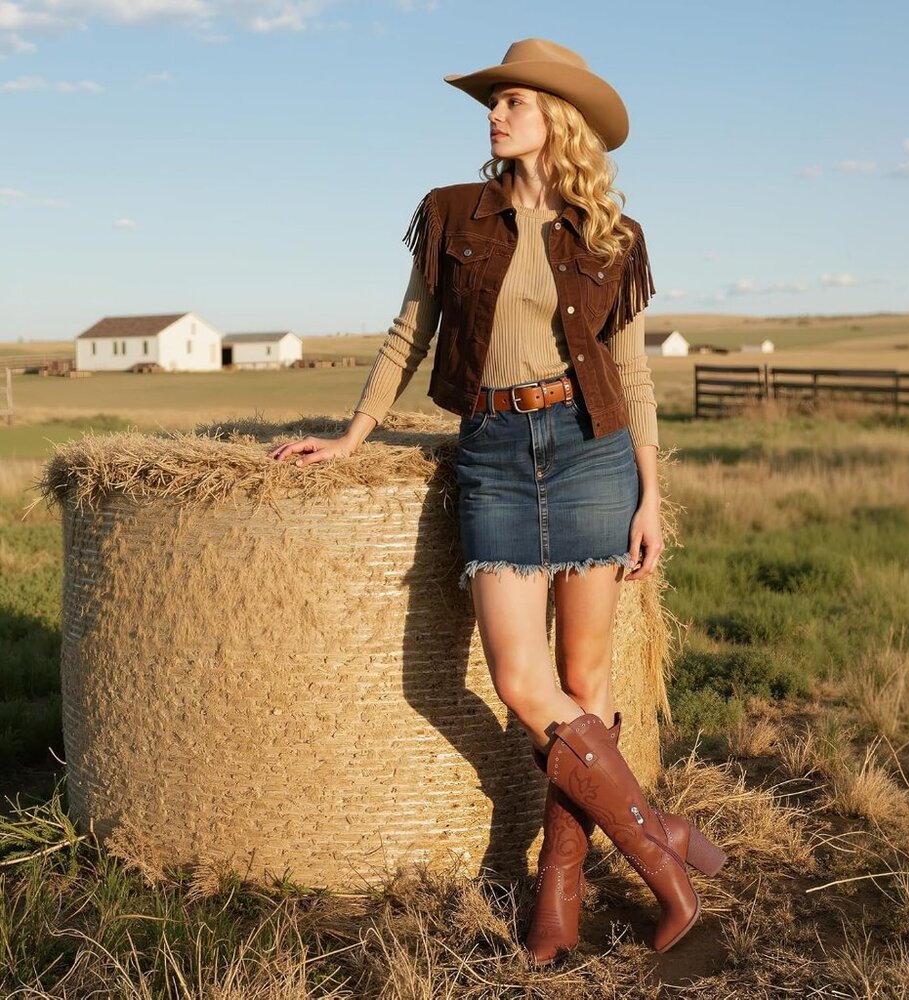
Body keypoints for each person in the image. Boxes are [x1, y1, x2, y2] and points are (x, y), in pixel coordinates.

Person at [270, 38, 726, 964]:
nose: (496, 113)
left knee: (586, 684)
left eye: (515, 100)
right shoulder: (452, 213)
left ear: (558, 118)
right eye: (495, 100)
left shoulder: (612, 235)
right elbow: (408, 334)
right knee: (525, 682)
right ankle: (663, 854)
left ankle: (559, 890)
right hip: (493, 453)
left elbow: (633, 374)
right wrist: (354, 436)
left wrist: (651, 493)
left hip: (592, 451)